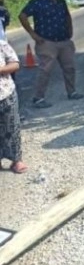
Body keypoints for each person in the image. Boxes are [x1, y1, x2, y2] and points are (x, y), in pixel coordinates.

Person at [19, 0, 84, 108]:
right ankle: (38, 98)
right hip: (46, 42)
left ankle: (72, 92)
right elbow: (22, 15)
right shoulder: (37, 2)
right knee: (45, 70)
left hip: (64, 41)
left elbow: (67, 16)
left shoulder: (61, 1)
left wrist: (70, 31)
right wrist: (33, 34)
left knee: (69, 68)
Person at [0, 39, 26, 173]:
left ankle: (17, 160)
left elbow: (15, 64)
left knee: (12, 127)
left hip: (6, 94)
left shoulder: (1, 44)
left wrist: (1, 69)